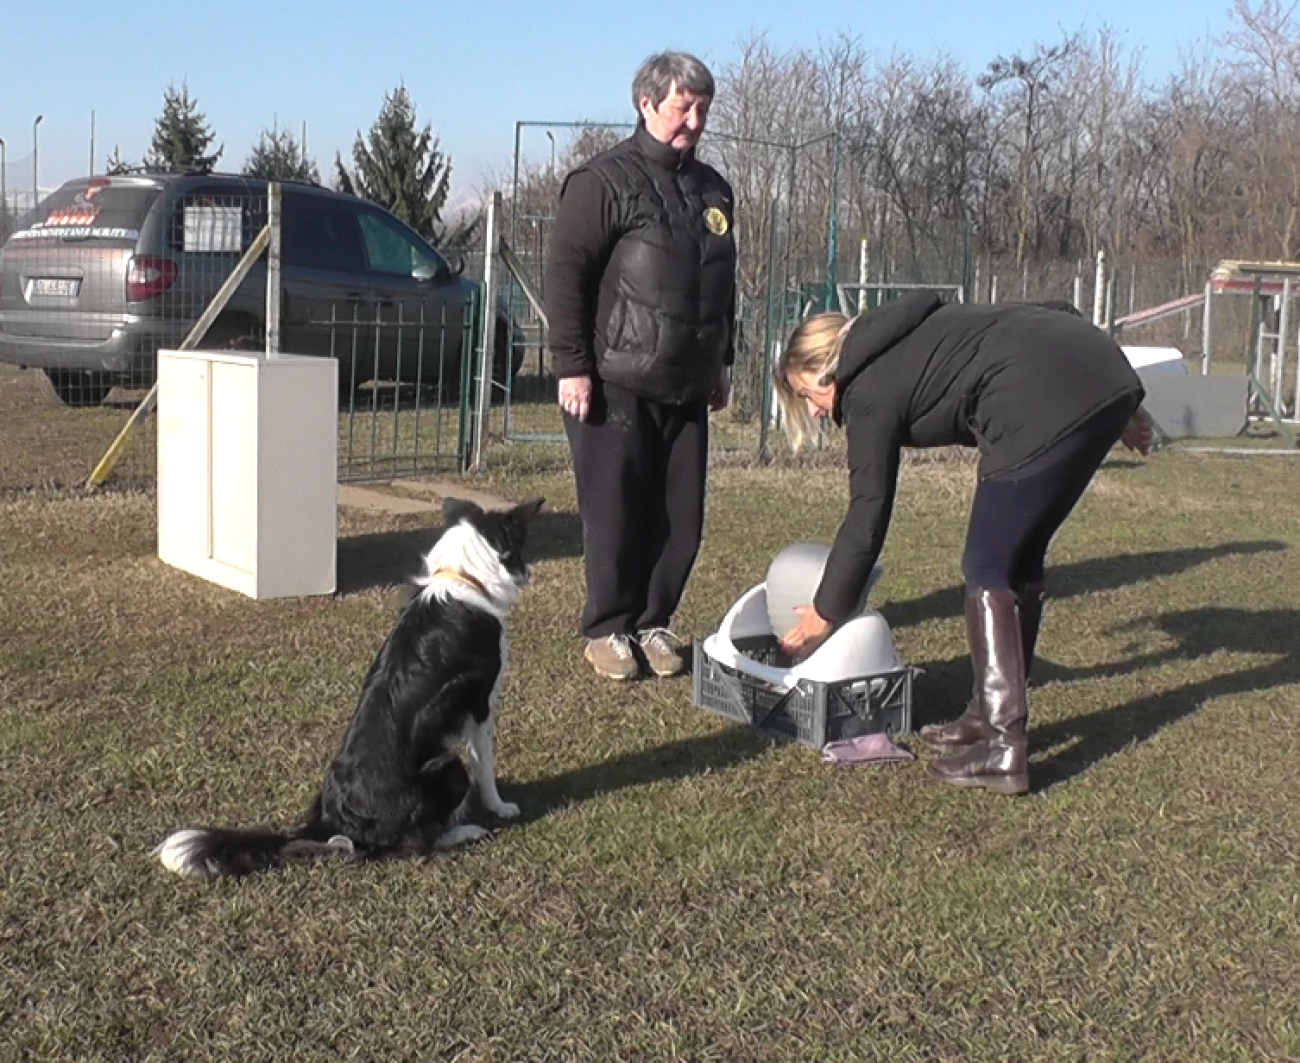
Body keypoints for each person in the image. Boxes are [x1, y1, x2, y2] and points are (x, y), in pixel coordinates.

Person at [774, 294, 1155, 794]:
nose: (815, 411)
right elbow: (1059, 311)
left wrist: (824, 613)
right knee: (1019, 556)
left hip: (1034, 408)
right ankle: (984, 714)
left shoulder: (865, 388)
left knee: (986, 565)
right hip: (1105, 378)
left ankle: (1002, 747)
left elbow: (867, 515)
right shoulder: (911, 327)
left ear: (826, 370)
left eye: (808, 395)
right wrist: (1126, 406)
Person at [543, 51, 737, 681]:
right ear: (647, 104)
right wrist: (573, 365)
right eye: (684, 106)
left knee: (681, 517)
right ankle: (607, 628)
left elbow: (722, 284)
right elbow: (566, 276)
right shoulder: (602, 182)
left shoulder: (714, 189)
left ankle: (655, 623)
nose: (695, 120)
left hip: (687, 383)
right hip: (616, 380)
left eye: (703, 108)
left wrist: (721, 362)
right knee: (617, 511)